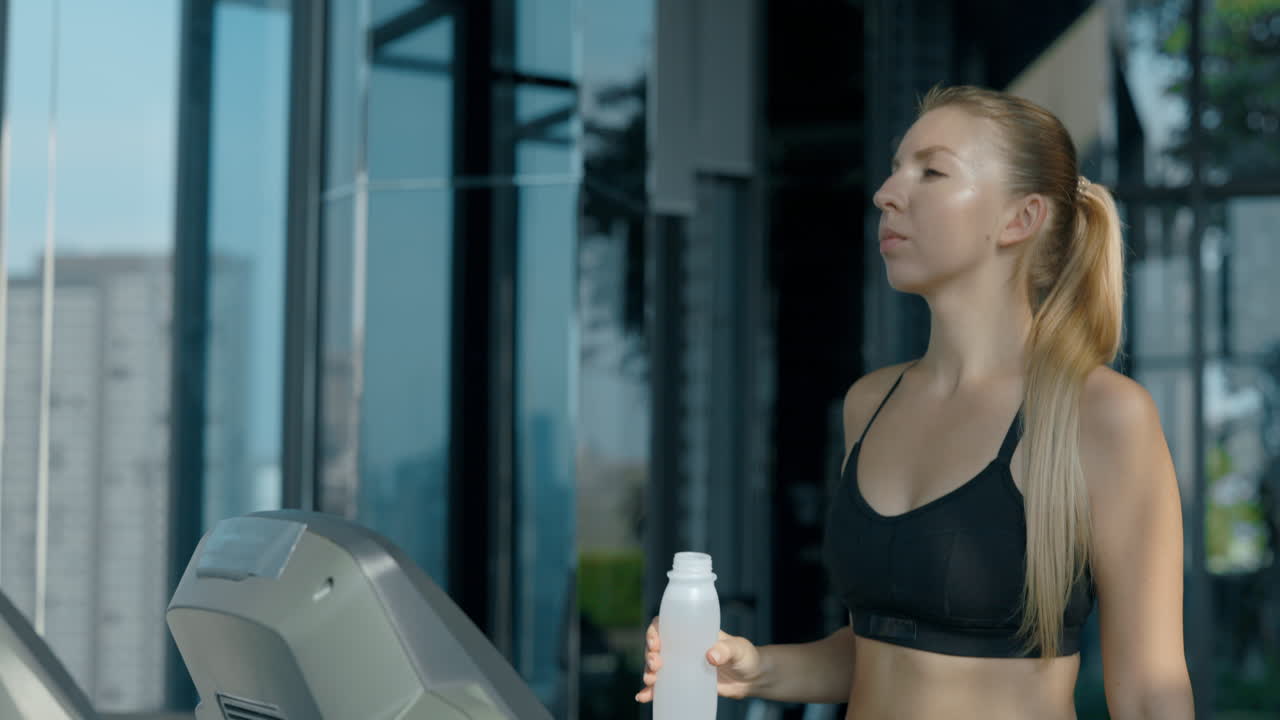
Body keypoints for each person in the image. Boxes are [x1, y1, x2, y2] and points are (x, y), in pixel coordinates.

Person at [635, 85, 1194, 719]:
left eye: (931, 172)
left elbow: (1150, 694)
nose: (886, 193)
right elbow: (886, 647)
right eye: (896, 168)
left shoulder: (1101, 414)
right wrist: (756, 667)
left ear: (1020, 219)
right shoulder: (870, 404)